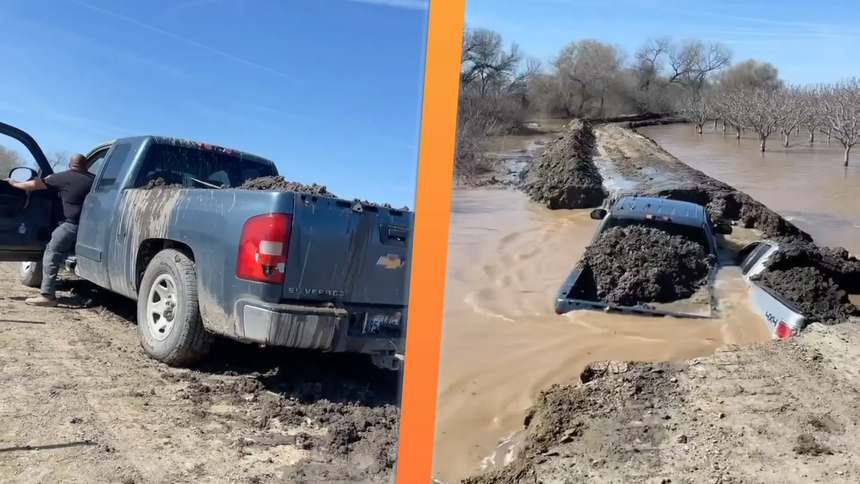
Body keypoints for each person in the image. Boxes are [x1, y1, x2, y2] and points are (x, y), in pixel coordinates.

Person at [7, 154, 95, 307]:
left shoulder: (63, 177)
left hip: (71, 225)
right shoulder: (93, 180)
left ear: (70, 164)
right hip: (92, 228)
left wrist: (15, 184)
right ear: (86, 166)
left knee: (51, 251)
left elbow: (34, 184)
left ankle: (48, 295)